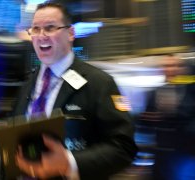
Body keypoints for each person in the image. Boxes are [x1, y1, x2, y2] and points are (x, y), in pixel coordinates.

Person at [11, 2, 138, 180]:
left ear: (70, 33)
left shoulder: (99, 83)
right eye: (35, 29)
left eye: (50, 28)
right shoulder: (27, 86)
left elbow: (124, 147)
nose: (41, 36)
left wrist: (69, 162)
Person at [142, 54, 195, 180]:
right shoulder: (154, 92)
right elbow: (146, 121)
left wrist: (172, 112)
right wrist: (147, 118)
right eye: (167, 65)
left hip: (185, 152)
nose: (171, 69)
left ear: (181, 68)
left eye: (174, 65)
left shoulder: (191, 90)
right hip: (162, 153)